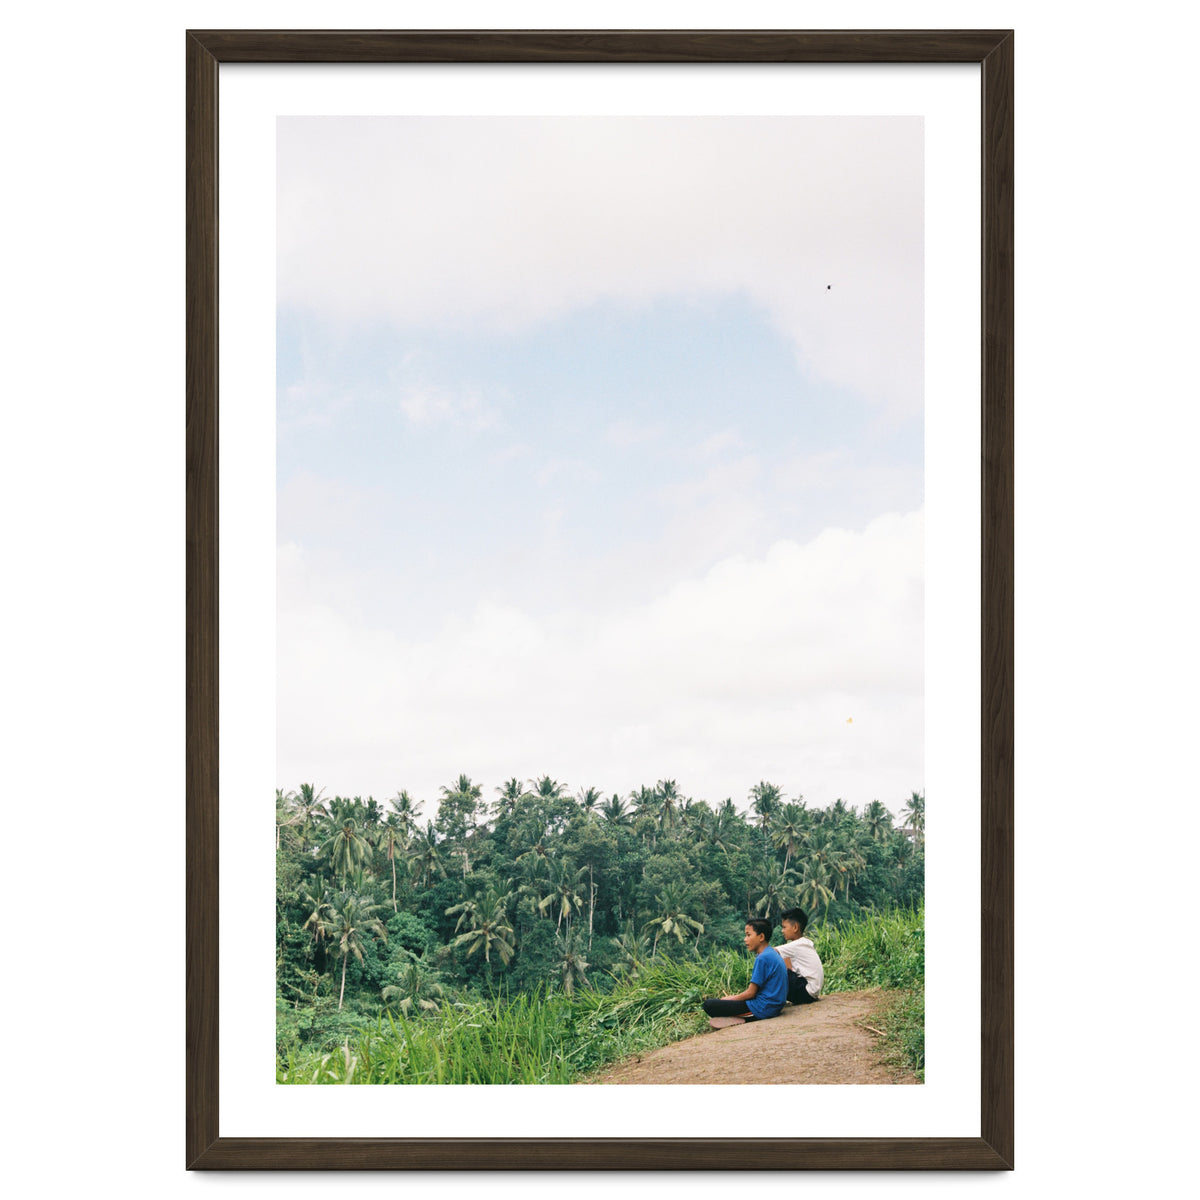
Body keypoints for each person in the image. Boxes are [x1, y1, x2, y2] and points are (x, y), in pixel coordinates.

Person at [702, 918, 789, 1027]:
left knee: (709, 1005)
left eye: (748, 935)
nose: (745, 939)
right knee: (723, 1004)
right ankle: (737, 1017)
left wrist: (730, 999)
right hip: (775, 1006)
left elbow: (750, 993)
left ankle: (743, 1018)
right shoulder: (771, 952)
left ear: (761, 937)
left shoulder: (763, 958)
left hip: (764, 1008)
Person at [777, 906, 824, 1005]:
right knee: (783, 958)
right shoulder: (804, 942)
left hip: (806, 991)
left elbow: (770, 952)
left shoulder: (796, 945)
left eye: (784, 927)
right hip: (810, 991)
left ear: (795, 927)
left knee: (774, 969)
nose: (782, 931)